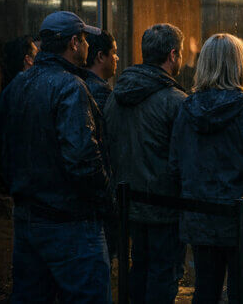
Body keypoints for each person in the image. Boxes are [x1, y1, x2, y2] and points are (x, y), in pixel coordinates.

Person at [0, 11, 112, 302]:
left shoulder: (15, 87)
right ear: (73, 43)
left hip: (27, 220)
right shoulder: (70, 87)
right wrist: (107, 199)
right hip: (71, 223)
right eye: (84, 40)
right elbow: (82, 160)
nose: (87, 46)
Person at [170, 33, 243, 303]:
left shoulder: (186, 109)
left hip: (202, 217)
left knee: (205, 291)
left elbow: (176, 165)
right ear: (239, 65)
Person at [103, 23, 187, 303]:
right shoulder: (175, 101)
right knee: (164, 273)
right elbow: (183, 160)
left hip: (129, 203)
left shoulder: (116, 95)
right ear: (173, 55)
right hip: (165, 207)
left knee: (138, 267)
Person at [84, 29, 119, 109]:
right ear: (101, 56)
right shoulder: (101, 92)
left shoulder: (79, 82)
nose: (117, 58)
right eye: (113, 52)